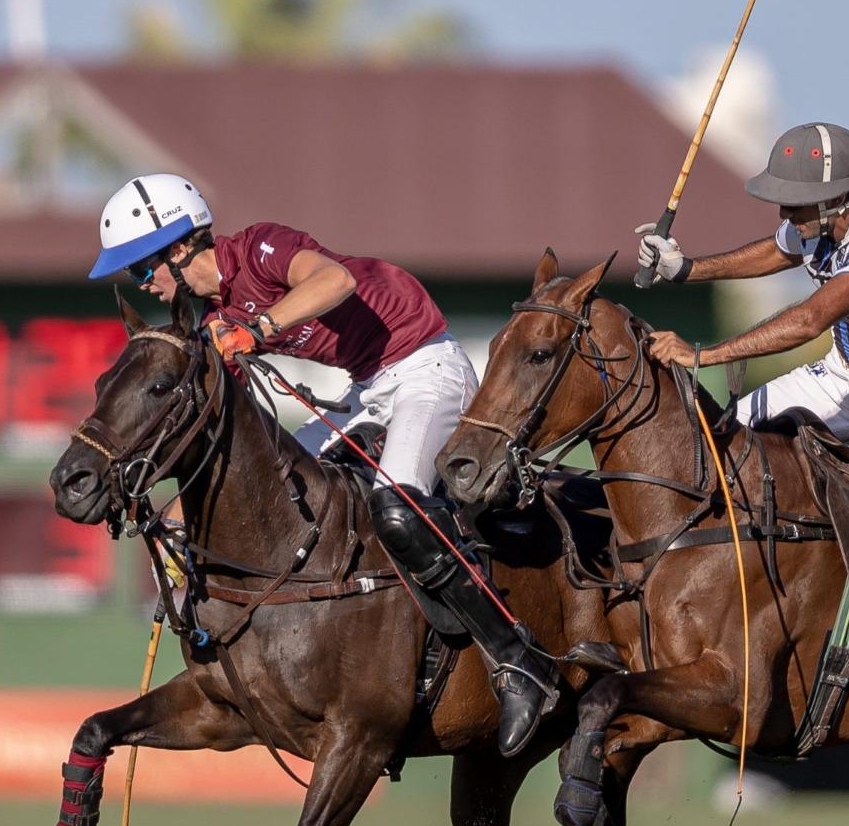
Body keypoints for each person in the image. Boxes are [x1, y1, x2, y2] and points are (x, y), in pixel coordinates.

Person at [90, 174, 555, 756]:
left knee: (396, 507)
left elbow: (336, 280)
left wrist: (259, 328)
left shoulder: (258, 249)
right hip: (367, 391)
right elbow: (231, 441)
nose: (143, 283)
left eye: (142, 267)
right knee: (279, 485)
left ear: (181, 247)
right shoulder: (210, 321)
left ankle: (517, 658)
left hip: (426, 367)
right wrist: (179, 522)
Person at [635, 123, 849, 708]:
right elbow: (779, 249)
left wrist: (705, 354)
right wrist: (686, 269)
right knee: (718, 440)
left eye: (794, 201)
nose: (784, 211)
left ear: (836, 199)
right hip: (844, 372)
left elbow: (812, 317)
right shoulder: (824, 217)